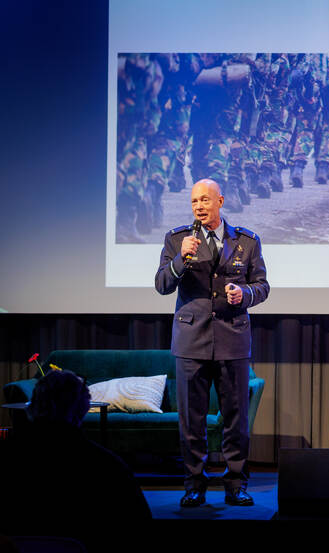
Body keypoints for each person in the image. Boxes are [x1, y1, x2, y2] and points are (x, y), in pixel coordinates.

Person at [155, 178, 269, 507]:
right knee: (192, 420)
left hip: (233, 339)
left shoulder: (247, 241)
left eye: (205, 200)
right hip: (192, 341)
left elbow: (262, 286)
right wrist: (179, 261)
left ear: (220, 200)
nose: (199, 206)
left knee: (236, 419)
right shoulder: (178, 239)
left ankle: (236, 484)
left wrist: (244, 294)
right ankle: (194, 485)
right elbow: (162, 284)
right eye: (194, 202)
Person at [0, 369, 152, 534]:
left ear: (32, 405)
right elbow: (139, 527)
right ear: (83, 409)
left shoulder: (6, 458)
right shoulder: (108, 467)